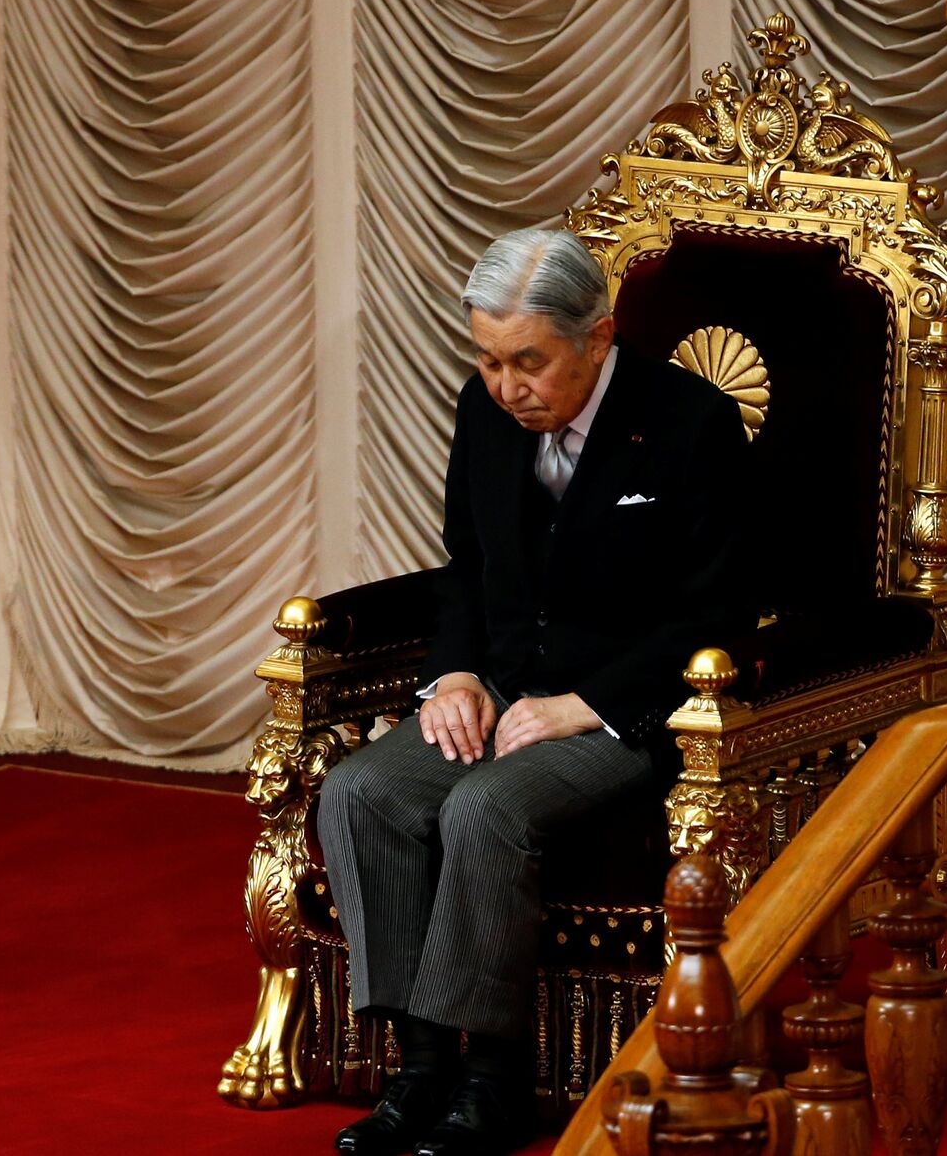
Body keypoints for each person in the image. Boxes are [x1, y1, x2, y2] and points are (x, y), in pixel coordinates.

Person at [316, 228, 751, 1156]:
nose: (506, 385)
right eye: (488, 358)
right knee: (361, 790)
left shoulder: (690, 424)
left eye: (529, 361)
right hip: (503, 688)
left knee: (483, 808)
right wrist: (454, 675)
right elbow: (464, 570)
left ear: (597, 337)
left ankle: (492, 1077)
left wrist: (582, 707)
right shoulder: (481, 413)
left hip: (626, 714)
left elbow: (716, 612)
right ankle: (419, 1067)